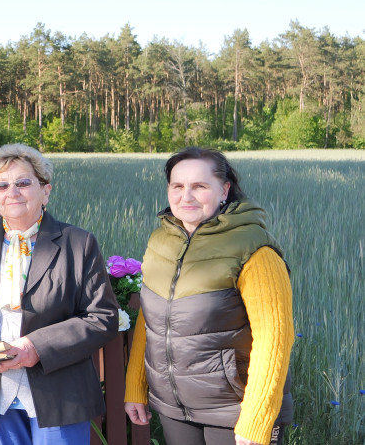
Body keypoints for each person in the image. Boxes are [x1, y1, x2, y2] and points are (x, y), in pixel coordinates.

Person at [0, 143, 118, 445]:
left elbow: (102, 318)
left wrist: (35, 347)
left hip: (59, 393)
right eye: (2, 185)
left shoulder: (78, 243)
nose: (12, 191)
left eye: (23, 183)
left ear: (45, 191)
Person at [124, 147, 293, 445]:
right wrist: (136, 387)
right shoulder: (160, 242)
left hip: (235, 412)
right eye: (177, 186)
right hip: (175, 410)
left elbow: (274, 339)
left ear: (224, 190)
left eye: (199, 186)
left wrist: (256, 419)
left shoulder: (255, 251)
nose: (186, 196)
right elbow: (149, 321)